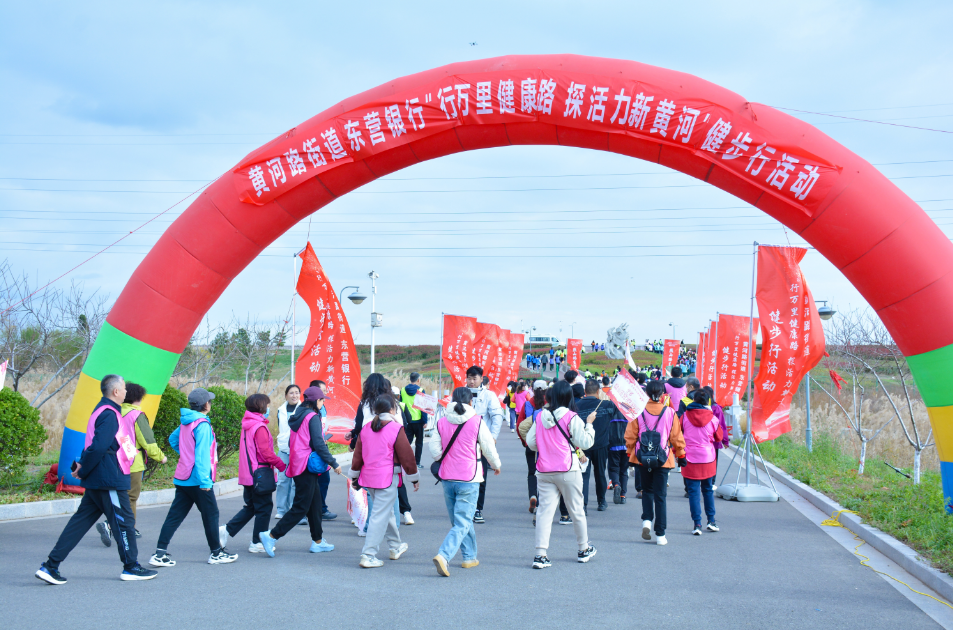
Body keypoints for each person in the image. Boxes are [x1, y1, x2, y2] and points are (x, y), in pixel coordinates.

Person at [36, 374, 157, 585]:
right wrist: (83, 470)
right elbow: (99, 447)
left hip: (100, 479)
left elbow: (94, 445)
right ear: (116, 392)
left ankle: (50, 566)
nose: (126, 392)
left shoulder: (102, 410)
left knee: (79, 523)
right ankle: (131, 567)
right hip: (109, 479)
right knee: (125, 523)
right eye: (123, 389)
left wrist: (83, 465)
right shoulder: (109, 414)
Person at [151, 388, 238, 567]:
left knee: (174, 516)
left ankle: (159, 553)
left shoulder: (186, 421)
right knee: (211, 515)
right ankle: (216, 553)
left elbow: (173, 439)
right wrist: (205, 480)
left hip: (183, 477)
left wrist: (186, 456)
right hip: (198, 480)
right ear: (206, 405)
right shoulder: (202, 425)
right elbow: (202, 455)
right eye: (210, 401)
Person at [259, 386, 341, 557]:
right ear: (315, 401)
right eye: (322, 400)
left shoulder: (299, 414)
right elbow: (319, 444)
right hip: (306, 466)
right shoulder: (312, 417)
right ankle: (272, 536)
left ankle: (318, 541)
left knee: (315, 504)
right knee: (301, 507)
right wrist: (333, 463)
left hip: (298, 463)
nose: (323, 402)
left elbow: (296, 441)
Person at [431, 387, 501, 576]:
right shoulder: (477, 422)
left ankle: (469, 557)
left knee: (459, 520)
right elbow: (488, 447)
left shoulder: (441, 422)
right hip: (469, 477)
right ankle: (444, 555)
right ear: (471, 402)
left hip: (447, 477)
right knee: (463, 521)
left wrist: (446, 457)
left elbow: (435, 451)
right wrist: (496, 465)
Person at [526, 381, 597, 569]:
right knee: (576, 510)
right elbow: (586, 442)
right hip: (568, 469)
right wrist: (589, 425)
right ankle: (583, 549)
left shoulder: (540, 417)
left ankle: (540, 554)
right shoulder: (571, 417)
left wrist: (546, 444)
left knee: (544, 512)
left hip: (544, 470)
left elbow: (531, 442)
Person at [348, 393, 419, 568]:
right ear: (393, 410)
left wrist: (354, 475)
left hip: (369, 478)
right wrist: (413, 477)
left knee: (386, 513)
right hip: (387, 478)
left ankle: (395, 546)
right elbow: (407, 456)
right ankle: (368, 554)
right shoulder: (395, 428)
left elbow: (358, 455)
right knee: (380, 515)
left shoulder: (366, 428)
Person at [95, 382, 167, 545]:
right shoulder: (136, 415)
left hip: (111, 462)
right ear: (139, 397)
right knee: (130, 497)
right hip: (131, 464)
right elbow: (147, 442)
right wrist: (161, 457)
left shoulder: (113, 412)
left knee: (118, 497)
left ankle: (120, 526)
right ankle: (122, 527)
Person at [220, 394, 286, 553]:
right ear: (261, 406)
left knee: (251, 507)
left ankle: (226, 530)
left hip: (248, 474)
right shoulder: (260, 427)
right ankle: (257, 542)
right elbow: (266, 452)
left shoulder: (247, 425)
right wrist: (281, 465)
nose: (269, 408)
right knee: (264, 508)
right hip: (260, 474)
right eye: (267, 405)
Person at [625, 380, 685, 546]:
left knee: (647, 491)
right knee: (660, 496)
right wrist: (681, 454)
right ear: (662, 394)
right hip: (662, 459)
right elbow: (676, 437)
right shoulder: (670, 412)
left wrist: (630, 452)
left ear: (646, 394)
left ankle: (646, 521)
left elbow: (631, 435)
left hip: (643, 459)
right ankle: (660, 535)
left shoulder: (638, 411)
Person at [465, 365, 504, 524]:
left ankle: (477, 509)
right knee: (463, 475)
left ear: (481, 379)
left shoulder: (489, 395)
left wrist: (493, 437)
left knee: (480, 476)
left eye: (474, 378)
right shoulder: (461, 392)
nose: (471, 381)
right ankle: (465, 506)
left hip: (481, 442)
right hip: (463, 442)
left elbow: (497, 416)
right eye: (469, 378)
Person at [680, 389, 723, 535]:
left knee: (693, 492)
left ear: (694, 400)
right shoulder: (713, 418)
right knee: (707, 490)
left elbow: (678, 434)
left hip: (690, 458)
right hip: (707, 458)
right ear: (707, 401)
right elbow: (719, 437)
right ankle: (711, 521)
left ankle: (697, 524)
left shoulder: (684, 416)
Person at [574, 379, 614, 512]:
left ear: (585, 391)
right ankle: (601, 501)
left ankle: (583, 505)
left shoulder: (575, 406)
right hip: (601, 445)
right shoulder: (606, 405)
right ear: (598, 391)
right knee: (600, 473)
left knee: (583, 475)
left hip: (582, 446)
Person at [309, 379, 337, 521]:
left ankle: (321, 509)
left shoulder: (322, 407)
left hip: (321, 445)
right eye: (323, 391)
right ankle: (308, 512)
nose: (326, 394)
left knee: (324, 480)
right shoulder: (310, 412)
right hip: (313, 451)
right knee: (311, 483)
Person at [275, 384, 300, 519]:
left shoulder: (303, 409)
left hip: (298, 452)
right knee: (282, 481)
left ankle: (293, 509)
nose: (294, 395)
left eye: (297, 392)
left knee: (296, 482)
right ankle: (281, 510)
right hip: (284, 450)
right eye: (291, 393)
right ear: (286, 396)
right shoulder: (280, 410)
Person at [400, 372, 428, 465]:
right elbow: (423, 407)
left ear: (410, 379)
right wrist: (425, 421)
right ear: (418, 380)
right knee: (419, 443)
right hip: (418, 420)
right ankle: (417, 463)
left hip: (407, 421)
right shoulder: (421, 390)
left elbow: (400, 405)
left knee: (407, 442)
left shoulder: (402, 390)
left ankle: (404, 461)